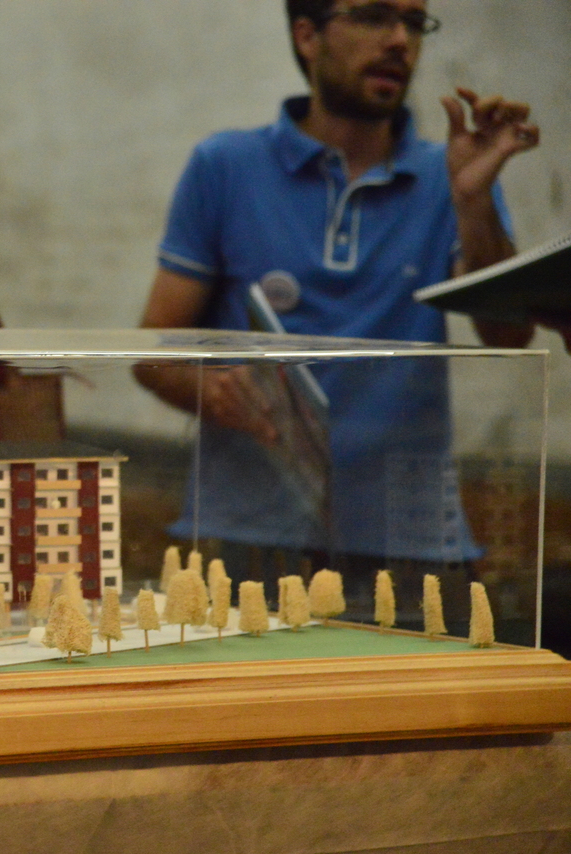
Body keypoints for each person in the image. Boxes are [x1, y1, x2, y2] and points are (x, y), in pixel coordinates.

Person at [134, 0, 539, 596]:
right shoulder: (225, 167)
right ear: (307, 35)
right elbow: (151, 353)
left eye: (414, 22)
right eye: (374, 16)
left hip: (408, 538)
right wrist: (211, 387)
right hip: (250, 535)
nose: (399, 40)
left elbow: (509, 334)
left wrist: (474, 202)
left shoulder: (453, 175)